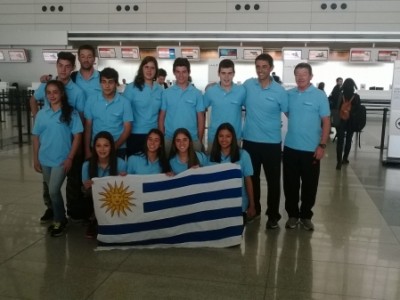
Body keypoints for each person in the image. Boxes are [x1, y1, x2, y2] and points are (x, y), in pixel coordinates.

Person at [30, 51, 88, 222]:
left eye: (67, 66)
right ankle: (53, 211)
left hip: (66, 145)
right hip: (48, 145)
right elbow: (33, 100)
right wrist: (38, 118)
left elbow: (81, 122)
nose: (63, 70)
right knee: (49, 187)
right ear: (56, 66)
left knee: (66, 182)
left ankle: (66, 213)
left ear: (73, 68)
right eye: (60, 65)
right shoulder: (47, 84)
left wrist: (74, 148)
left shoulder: (76, 92)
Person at [242, 53, 288, 229]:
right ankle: (255, 210)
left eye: (264, 67)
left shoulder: (279, 91)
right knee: (251, 179)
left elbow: (289, 113)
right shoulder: (248, 85)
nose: (260, 70)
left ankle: (273, 215)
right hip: (250, 142)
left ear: (271, 68)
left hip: (271, 144)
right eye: (258, 66)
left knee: (273, 181)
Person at [32, 80, 83, 237]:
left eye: (55, 92)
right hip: (45, 159)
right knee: (51, 190)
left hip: (61, 160)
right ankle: (58, 217)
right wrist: (35, 159)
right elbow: (36, 137)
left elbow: (77, 136)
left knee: (53, 190)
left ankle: (60, 219)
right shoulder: (42, 114)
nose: (52, 95)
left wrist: (70, 158)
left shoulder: (71, 113)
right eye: (49, 92)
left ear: (62, 94)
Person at [283, 62, 330, 231]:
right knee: (290, 185)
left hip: (311, 150)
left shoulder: (319, 95)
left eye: (304, 74)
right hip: (290, 148)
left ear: (311, 76)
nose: (300, 77)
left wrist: (322, 145)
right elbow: (288, 113)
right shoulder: (289, 95)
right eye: (297, 74)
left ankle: (306, 216)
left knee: (310, 185)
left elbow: (326, 121)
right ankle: (293, 216)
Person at [82, 131, 127, 238]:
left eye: (106, 146)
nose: (102, 149)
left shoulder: (120, 163)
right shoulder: (86, 165)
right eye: (98, 146)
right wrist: (88, 185)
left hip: (114, 196)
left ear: (111, 147)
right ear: (94, 147)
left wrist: (124, 178)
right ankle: (93, 220)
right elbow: (84, 187)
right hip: (94, 196)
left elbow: (124, 186)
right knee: (88, 192)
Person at [208, 123, 256, 225]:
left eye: (228, 136)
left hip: (239, 204)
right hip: (217, 205)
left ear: (233, 138)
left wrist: (252, 204)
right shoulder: (210, 157)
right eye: (221, 136)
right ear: (217, 137)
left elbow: (248, 180)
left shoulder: (244, 155)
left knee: (236, 237)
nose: (224, 139)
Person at [84, 67, 133, 159]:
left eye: (110, 82)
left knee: (117, 173)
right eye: (104, 81)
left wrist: (115, 146)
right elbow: (88, 127)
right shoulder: (91, 100)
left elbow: (127, 129)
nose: (107, 85)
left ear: (116, 84)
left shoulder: (125, 103)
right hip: (97, 147)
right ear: (100, 83)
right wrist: (87, 150)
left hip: (118, 148)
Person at [158, 57, 205, 153]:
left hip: (192, 138)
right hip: (170, 139)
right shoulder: (166, 93)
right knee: (169, 167)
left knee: (194, 167)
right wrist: (162, 137)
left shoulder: (197, 93)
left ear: (189, 72)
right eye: (178, 72)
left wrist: (199, 140)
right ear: (174, 72)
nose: (181, 75)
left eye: (184, 72)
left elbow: (201, 118)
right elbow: (162, 117)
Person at [123, 56, 163, 157]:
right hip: (135, 134)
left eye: (152, 68)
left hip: (154, 135)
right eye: (146, 67)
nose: (149, 70)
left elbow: (162, 113)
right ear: (141, 69)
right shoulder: (131, 88)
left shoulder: (160, 89)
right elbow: (124, 112)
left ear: (156, 71)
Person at [204, 59, 246, 151]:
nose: (226, 77)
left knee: (235, 165)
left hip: (235, 138)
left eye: (229, 73)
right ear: (218, 73)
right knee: (213, 165)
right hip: (215, 138)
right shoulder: (211, 91)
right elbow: (201, 110)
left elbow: (250, 110)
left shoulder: (241, 91)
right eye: (223, 73)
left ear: (234, 73)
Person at [335, 78, 361, 170]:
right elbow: (358, 110)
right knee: (349, 140)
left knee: (340, 141)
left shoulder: (341, 95)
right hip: (352, 121)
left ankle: (338, 163)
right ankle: (345, 158)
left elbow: (337, 108)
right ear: (353, 86)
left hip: (341, 121)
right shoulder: (356, 96)